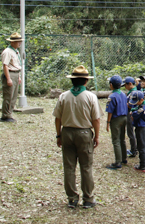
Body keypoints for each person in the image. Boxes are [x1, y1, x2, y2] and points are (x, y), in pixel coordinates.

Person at [53, 65, 101, 209]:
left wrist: (58, 134)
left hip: (67, 132)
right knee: (86, 166)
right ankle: (88, 198)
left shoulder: (63, 96)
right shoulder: (90, 97)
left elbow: (57, 118)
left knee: (69, 166)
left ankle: (72, 198)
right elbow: (96, 120)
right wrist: (97, 136)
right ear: (86, 81)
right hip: (84, 133)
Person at [105, 75, 128, 170]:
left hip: (116, 120)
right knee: (122, 139)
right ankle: (124, 158)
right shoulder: (123, 94)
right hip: (124, 118)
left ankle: (118, 163)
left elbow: (110, 111)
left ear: (111, 85)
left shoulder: (112, 96)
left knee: (116, 140)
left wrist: (108, 122)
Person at [0, 32, 23, 123]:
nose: (19, 43)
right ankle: (5, 115)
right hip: (10, 73)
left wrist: (19, 76)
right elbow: (5, 65)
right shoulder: (7, 52)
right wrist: (8, 78)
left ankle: (9, 113)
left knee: (13, 96)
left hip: (15, 74)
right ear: (12, 42)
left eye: (20, 41)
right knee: (8, 95)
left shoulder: (15, 51)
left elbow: (16, 64)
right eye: (18, 41)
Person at [129, 90, 145, 171]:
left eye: (136, 101)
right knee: (142, 146)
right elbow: (134, 109)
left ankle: (142, 165)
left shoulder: (143, 107)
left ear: (142, 99)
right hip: (140, 127)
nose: (135, 104)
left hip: (142, 128)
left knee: (141, 147)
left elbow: (135, 114)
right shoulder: (140, 105)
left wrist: (132, 113)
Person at [124, 77, 138, 158]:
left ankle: (134, 150)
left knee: (130, 132)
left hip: (131, 114)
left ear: (130, 84)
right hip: (131, 113)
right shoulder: (132, 91)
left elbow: (130, 105)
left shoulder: (133, 92)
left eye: (125, 85)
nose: (125, 87)